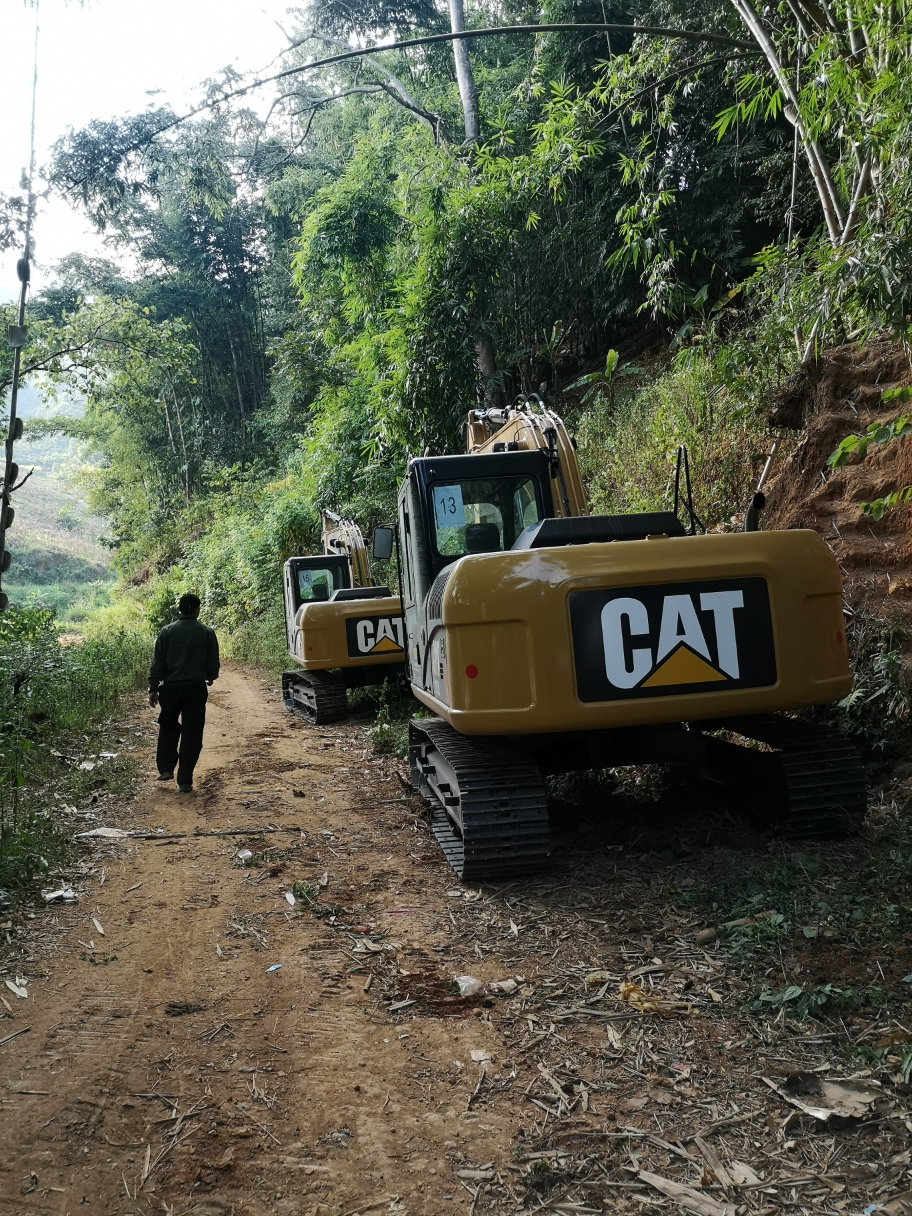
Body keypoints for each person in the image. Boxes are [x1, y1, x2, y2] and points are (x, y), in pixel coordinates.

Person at [148, 593, 220, 793]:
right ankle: (185, 780)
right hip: (195, 689)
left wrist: (153, 688)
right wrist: (210, 676)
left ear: (180, 609)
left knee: (168, 727)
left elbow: (158, 663)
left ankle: (165, 769)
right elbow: (213, 662)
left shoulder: (166, 632)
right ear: (197, 609)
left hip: (170, 689)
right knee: (192, 733)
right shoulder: (207, 632)